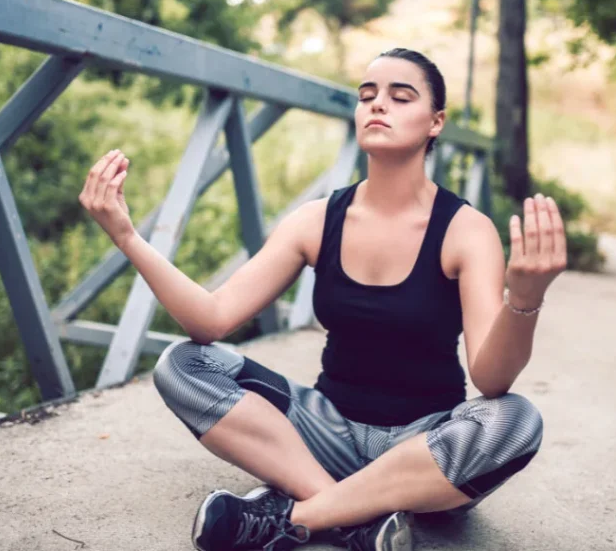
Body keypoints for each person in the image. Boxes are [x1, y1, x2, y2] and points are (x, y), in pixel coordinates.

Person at [79, 47, 566, 551]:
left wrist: (524, 300)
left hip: (425, 446)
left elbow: (489, 378)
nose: (377, 105)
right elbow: (212, 320)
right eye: (367, 96)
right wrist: (128, 238)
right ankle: (357, 518)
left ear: (435, 122)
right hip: (324, 431)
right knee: (183, 363)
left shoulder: (466, 230)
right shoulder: (316, 220)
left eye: (401, 97)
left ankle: (297, 518)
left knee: (514, 419)